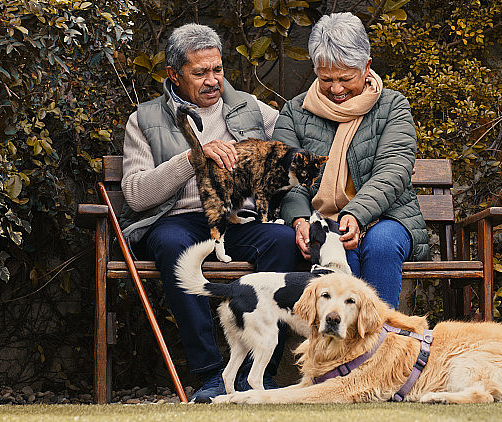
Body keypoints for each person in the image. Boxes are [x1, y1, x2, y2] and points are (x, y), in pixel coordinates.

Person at [119, 23, 297, 403]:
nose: (212, 80)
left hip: (236, 220)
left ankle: (256, 374)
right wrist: (192, 159)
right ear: (174, 74)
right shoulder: (145, 119)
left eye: (217, 69)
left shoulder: (249, 108)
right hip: (176, 221)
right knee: (172, 246)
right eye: (200, 73)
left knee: (283, 244)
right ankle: (211, 374)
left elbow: (295, 135)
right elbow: (135, 195)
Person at [275, 12, 429, 309]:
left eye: (346, 78)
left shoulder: (392, 106)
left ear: (366, 66)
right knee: (337, 247)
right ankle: (342, 351)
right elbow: (288, 178)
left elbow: (392, 171)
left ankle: (382, 345)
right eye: (326, 79)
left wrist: (356, 215)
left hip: (387, 217)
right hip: (320, 220)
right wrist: (299, 221)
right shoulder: (295, 112)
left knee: (381, 246)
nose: (336, 89)